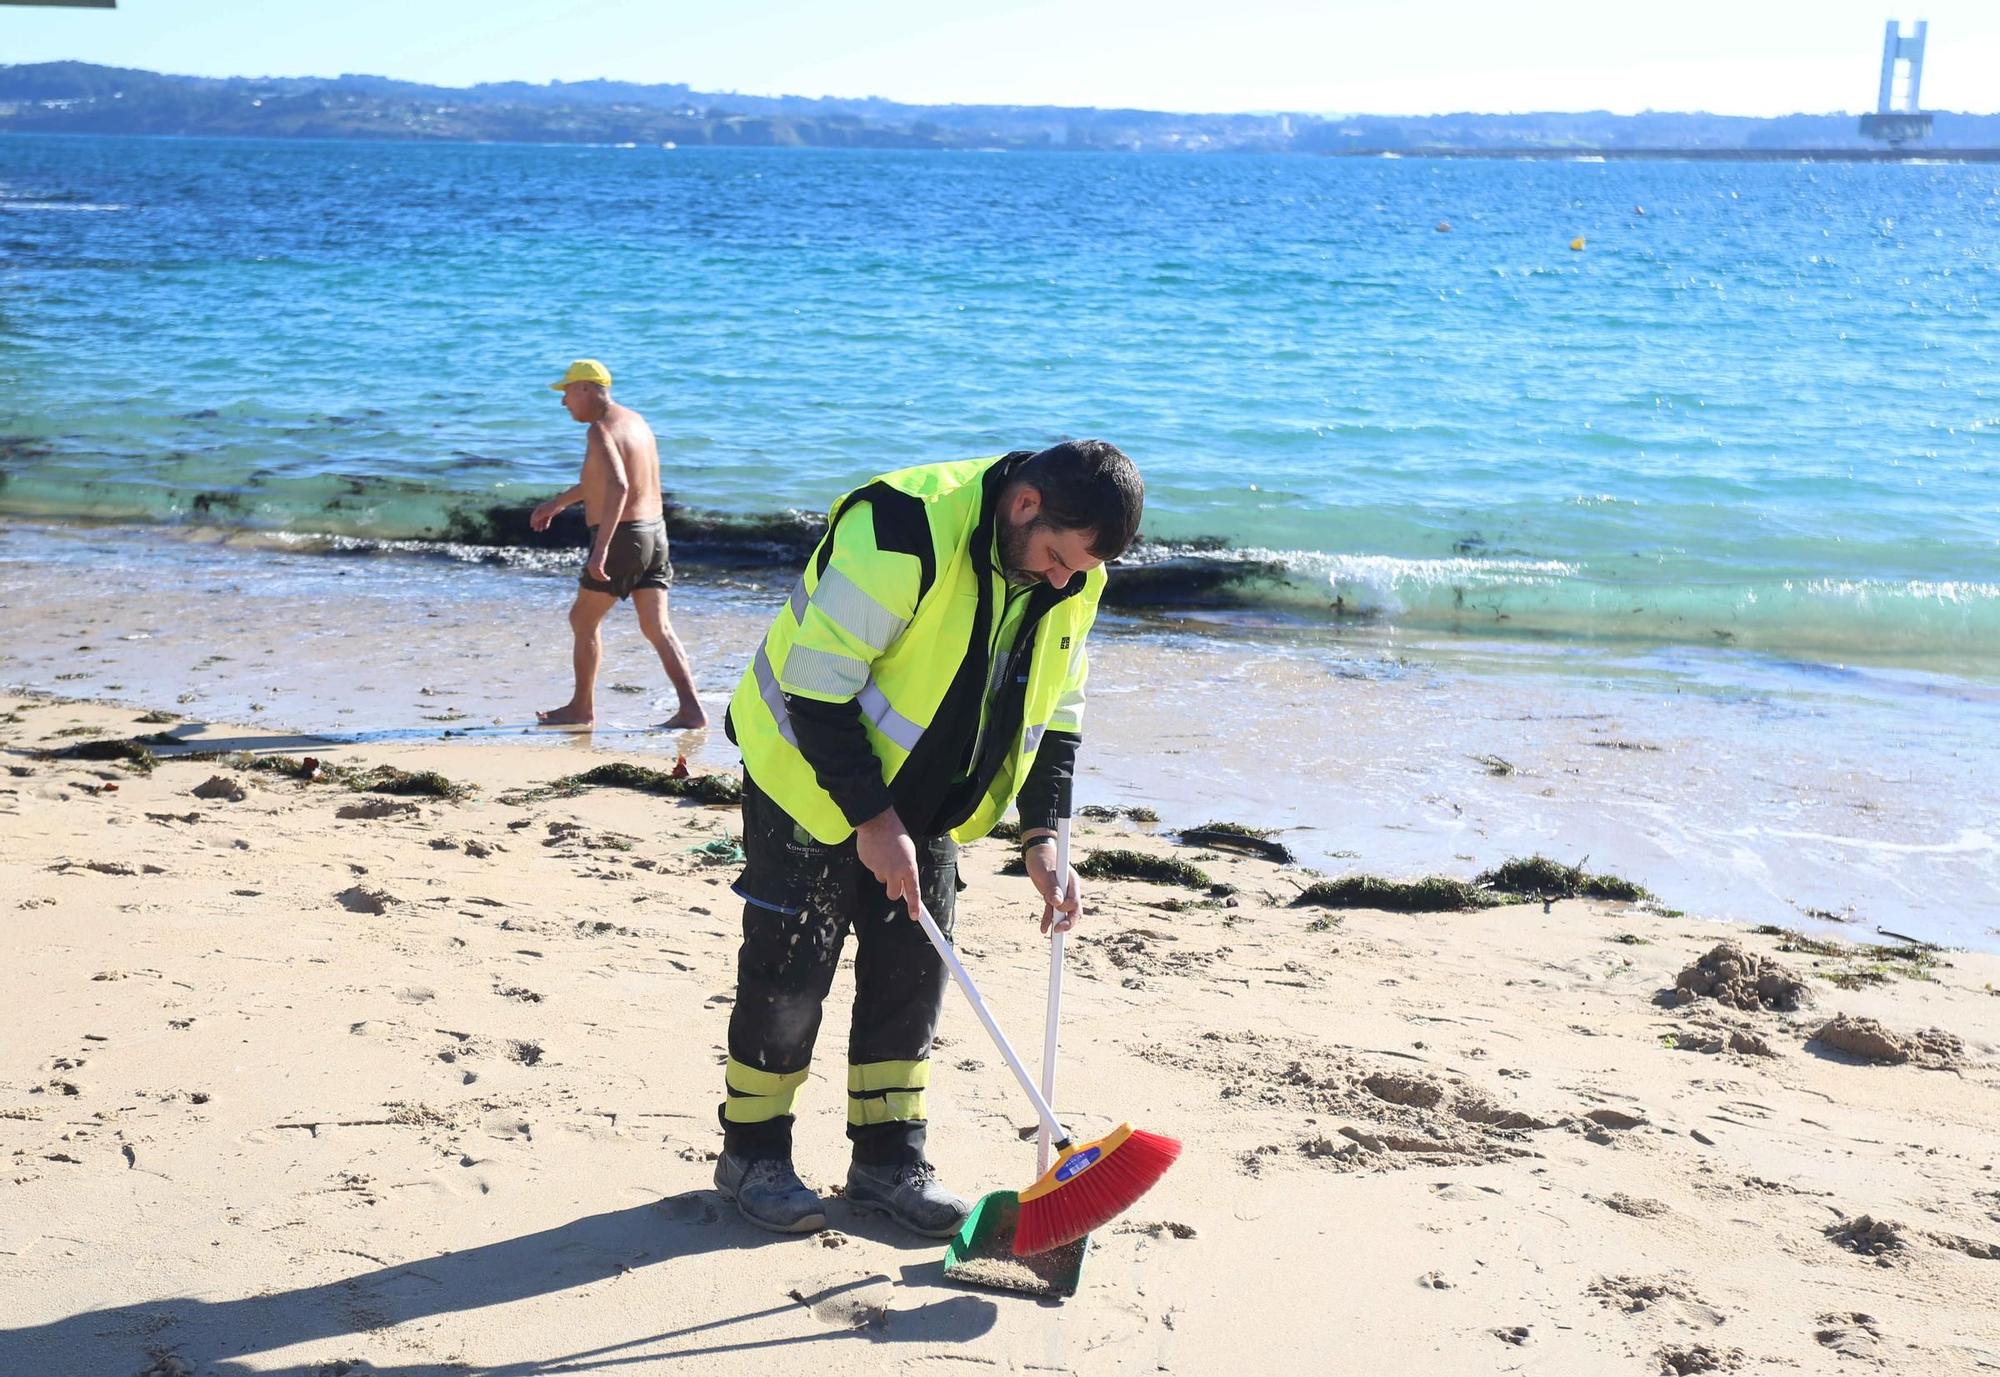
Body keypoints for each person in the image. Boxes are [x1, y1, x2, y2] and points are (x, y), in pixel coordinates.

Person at [713, 440, 1144, 1237]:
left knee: (913, 974)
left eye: (1075, 570)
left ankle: (886, 1162)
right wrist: (872, 822)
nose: (1061, 578)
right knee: (789, 973)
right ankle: (753, 1154)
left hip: (929, 803)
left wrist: (1043, 835)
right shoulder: (900, 527)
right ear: (1024, 504)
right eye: (1054, 556)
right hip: (805, 773)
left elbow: (1059, 711)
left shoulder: (1074, 576)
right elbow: (814, 687)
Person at [529, 360, 706, 730]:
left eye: (566, 393)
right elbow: (602, 480)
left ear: (585, 389)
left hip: (624, 536)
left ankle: (581, 708)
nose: (564, 403)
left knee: (582, 618)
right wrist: (558, 502)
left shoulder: (599, 429)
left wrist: (601, 549)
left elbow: (619, 486)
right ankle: (691, 709)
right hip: (654, 534)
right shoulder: (636, 422)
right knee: (658, 626)